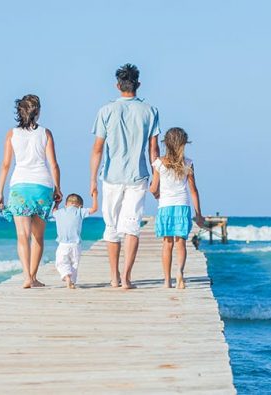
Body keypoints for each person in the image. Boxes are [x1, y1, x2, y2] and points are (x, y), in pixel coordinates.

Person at [90, 63, 160, 289]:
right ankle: (127, 278)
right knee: (131, 227)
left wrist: (93, 180)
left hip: (110, 176)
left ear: (117, 85)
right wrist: (156, 178)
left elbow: (98, 149)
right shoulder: (150, 111)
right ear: (138, 84)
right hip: (138, 176)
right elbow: (154, 150)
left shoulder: (106, 110)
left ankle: (114, 276)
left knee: (111, 227)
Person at [0, 94, 62, 288]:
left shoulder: (12, 134)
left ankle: (27, 277)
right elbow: (54, 165)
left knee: (22, 236)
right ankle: (33, 277)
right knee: (38, 237)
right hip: (42, 186)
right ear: (38, 111)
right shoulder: (45, 133)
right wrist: (58, 188)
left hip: (19, 188)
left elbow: (6, 164)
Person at [149, 127, 204, 289]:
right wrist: (198, 214)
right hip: (182, 206)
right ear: (183, 144)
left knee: (167, 244)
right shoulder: (188, 163)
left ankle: (167, 281)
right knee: (181, 243)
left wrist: (156, 194)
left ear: (166, 143)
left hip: (165, 207)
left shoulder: (159, 163)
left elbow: (153, 188)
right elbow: (193, 190)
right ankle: (180, 271)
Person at [53, 192, 98, 289]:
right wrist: (95, 196)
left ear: (66, 205)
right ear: (80, 206)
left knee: (61, 262)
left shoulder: (60, 212)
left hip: (63, 244)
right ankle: (72, 281)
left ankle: (66, 276)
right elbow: (94, 209)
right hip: (76, 245)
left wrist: (56, 203)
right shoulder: (80, 211)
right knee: (74, 264)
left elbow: (54, 211)